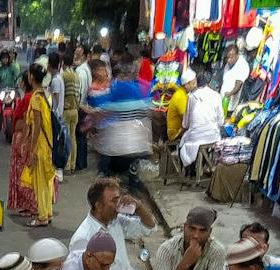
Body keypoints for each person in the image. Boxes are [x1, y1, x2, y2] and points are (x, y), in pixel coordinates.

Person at [84, 61, 162, 227]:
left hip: (113, 149)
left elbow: (99, 115)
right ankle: (133, 210)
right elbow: (154, 114)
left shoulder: (113, 97)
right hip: (136, 148)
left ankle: (110, 210)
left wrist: (87, 125)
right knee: (132, 182)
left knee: (107, 179)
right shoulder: (140, 97)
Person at [68, 177, 151, 270]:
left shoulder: (116, 222)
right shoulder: (83, 238)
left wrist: (138, 207)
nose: (118, 205)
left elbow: (148, 228)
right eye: (114, 201)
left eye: (119, 200)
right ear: (99, 206)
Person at [10, 66, 58, 226]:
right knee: (47, 180)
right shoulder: (45, 94)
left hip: (40, 146)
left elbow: (37, 126)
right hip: (48, 145)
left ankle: (42, 217)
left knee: (40, 182)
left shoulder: (36, 98)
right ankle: (48, 213)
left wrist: (31, 149)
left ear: (31, 77)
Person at [177, 65, 223, 171]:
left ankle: (191, 170)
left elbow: (185, 124)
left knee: (184, 142)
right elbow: (221, 122)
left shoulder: (192, 97)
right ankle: (207, 166)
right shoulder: (217, 95)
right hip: (213, 137)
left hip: (196, 138)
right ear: (209, 82)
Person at [70, 46, 93, 171]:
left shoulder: (81, 72)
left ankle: (80, 162)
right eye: (75, 52)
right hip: (83, 106)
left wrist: (78, 105)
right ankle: (81, 162)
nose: (75, 55)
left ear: (84, 55)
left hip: (80, 106)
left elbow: (80, 92)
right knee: (81, 135)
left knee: (79, 135)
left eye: (78, 52)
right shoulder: (83, 69)